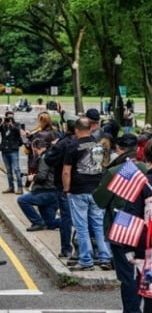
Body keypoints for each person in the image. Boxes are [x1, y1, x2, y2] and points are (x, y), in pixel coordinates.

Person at [94, 134, 145, 313]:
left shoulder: (118, 171)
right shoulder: (144, 169)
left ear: (119, 149)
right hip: (145, 227)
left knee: (127, 275)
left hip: (123, 224)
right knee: (143, 273)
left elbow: (100, 200)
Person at [62, 117, 112, 271]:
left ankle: (86, 260)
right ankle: (105, 257)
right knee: (98, 225)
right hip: (96, 190)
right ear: (90, 129)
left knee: (81, 227)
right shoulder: (98, 145)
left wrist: (66, 189)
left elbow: (66, 171)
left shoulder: (73, 146)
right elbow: (101, 166)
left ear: (76, 130)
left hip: (78, 190)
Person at [123, 140, 152, 313]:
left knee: (150, 296)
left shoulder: (141, 183)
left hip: (147, 248)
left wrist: (129, 250)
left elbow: (130, 217)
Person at [44, 115, 78, 258]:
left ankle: (66, 248)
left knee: (66, 217)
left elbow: (49, 160)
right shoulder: (84, 142)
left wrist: (53, 146)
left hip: (64, 183)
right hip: (82, 183)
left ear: (66, 128)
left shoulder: (62, 143)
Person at [17, 138, 59, 231]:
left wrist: (32, 177)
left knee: (22, 200)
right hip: (54, 192)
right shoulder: (51, 154)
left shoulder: (44, 158)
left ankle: (37, 222)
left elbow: (42, 176)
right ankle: (73, 221)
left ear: (35, 149)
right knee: (50, 223)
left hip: (46, 191)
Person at [0, 111, 24, 194]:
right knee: (8, 170)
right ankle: (11, 187)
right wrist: (1, 123)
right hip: (5, 150)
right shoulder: (3, 125)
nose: (10, 119)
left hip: (13, 150)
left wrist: (12, 125)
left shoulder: (17, 125)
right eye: (8, 118)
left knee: (16, 169)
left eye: (12, 117)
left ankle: (20, 187)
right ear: (5, 117)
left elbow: (20, 131)